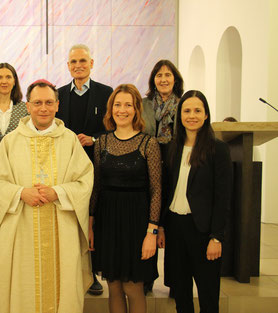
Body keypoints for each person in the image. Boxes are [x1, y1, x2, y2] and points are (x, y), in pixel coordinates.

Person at [0, 79, 94, 313]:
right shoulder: (11, 142)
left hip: (61, 228)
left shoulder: (70, 140)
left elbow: (85, 180)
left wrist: (59, 192)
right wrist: (20, 193)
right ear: (28, 106)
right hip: (21, 230)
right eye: (37, 103)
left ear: (57, 105)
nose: (43, 108)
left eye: (48, 102)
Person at [158, 90, 232, 313]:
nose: (192, 115)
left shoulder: (218, 149)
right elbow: (167, 190)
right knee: (181, 294)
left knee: (208, 295)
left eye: (197, 110)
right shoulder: (173, 147)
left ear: (206, 115)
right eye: (187, 110)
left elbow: (223, 196)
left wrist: (217, 237)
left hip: (203, 230)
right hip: (176, 228)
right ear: (179, 115)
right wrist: (161, 226)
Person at [89, 84, 161, 313]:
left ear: (136, 109)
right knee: (114, 287)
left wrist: (152, 233)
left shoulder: (148, 143)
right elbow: (96, 188)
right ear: (111, 109)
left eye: (128, 105)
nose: (122, 110)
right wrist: (91, 226)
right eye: (117, 105)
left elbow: (156, 190)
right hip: (108, 222)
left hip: (137, 224)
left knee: (133, 287)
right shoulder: (101, 143)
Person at [56, 43, 113, 295]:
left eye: (82, 61)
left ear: (92, 63)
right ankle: (69, 271)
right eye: (73, 62)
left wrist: (94, 139)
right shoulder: (58, 94)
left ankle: (93, 274)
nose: (78, 65)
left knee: (93, 219)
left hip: (97, 164)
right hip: (65, 168)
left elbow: (114, 128)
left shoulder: (106, 93)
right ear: (68, 66)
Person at [141, 59, 184, 294]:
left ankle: (175, 282)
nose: (163, 79)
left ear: (175, 79)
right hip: (149, 164)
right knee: (150, 222)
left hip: (175, 166)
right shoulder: (144, 104)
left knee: (174, 225)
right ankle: (147, 278)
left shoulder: (184, 103)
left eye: (168, 75)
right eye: (159, 75)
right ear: (153, 80)